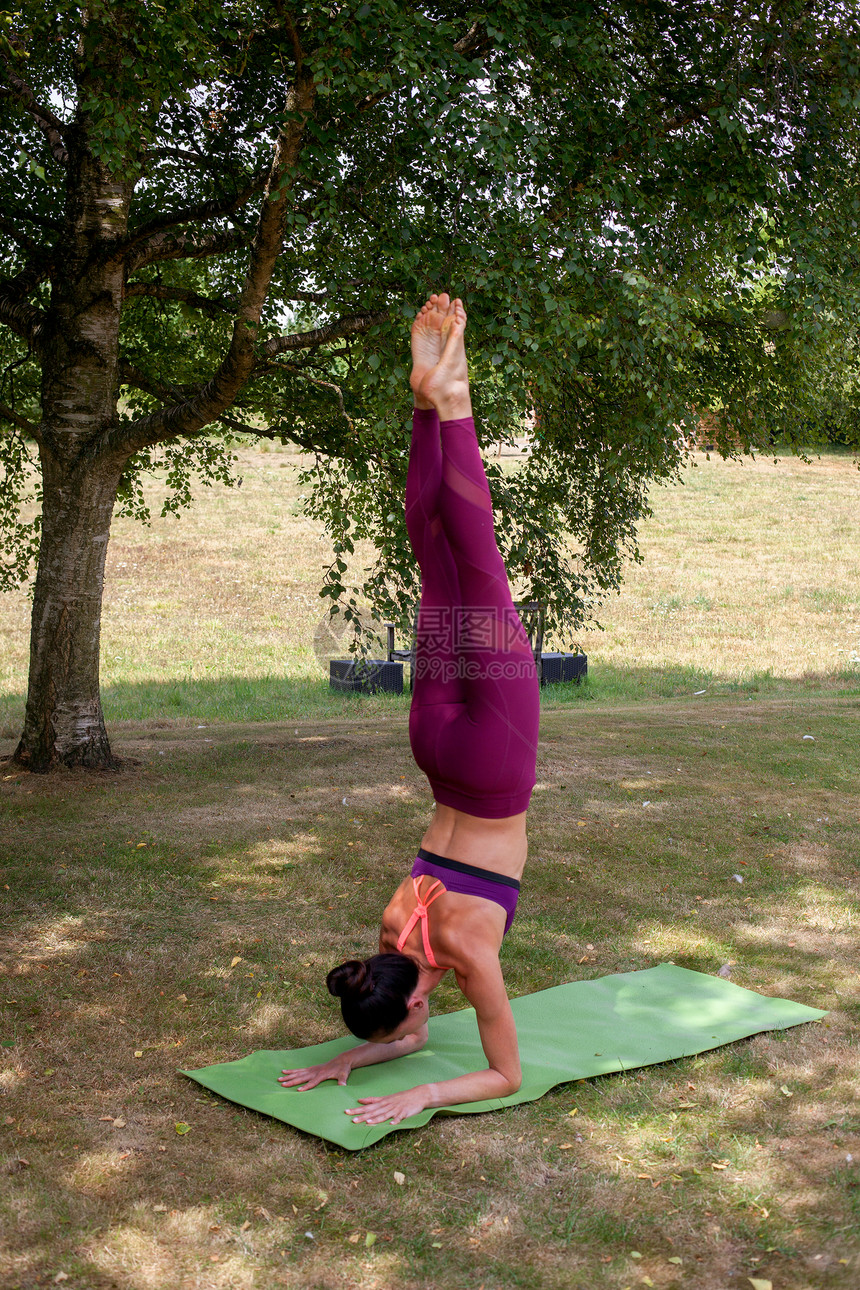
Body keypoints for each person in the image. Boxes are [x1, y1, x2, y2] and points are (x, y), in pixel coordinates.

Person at [278, 293, 540, 1125]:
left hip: (494, 767)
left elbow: (504, 1075)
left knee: (478, 565)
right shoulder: (394, 931)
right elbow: (404, 1025)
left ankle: (452, 402)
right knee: (439, 564)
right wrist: (348, 1053)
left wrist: (418, 1095)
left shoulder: (464, 954)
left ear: (418, 1003)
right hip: (434, 748)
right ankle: (426, 407)